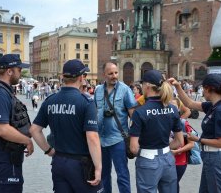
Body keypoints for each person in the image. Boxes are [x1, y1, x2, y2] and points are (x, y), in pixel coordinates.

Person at [29, 59, 103, 193]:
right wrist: (98, 167)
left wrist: (48, 150)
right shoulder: (86, 102)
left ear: (63, 77)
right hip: (81, 164)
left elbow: (34, 130)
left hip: (59, 161)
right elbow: (92, 137)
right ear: (81, 78)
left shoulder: (50, 101)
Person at [169, 74, 221, 193]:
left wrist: (197, 139)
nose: (203, 91)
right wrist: (178, 87)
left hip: (217, 158)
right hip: (211, 157)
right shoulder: (216, 105)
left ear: (210, 89)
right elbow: (190, 104)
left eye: (204, 88)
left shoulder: (220, 110)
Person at [0, 54, 34, 193]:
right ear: (9, 71)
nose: (20, 73)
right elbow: (2, 129)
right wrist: (27, 140)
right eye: (19, 70)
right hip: (4, 154)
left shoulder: (4, 90)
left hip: (8, 153)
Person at [129, 69, 184, 193]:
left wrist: (147, 153)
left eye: (142, 84)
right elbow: (179, 141)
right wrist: (163, 149)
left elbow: (133, 148)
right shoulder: (172, 109)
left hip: (147, 160)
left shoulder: (140, 112)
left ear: (147, 86)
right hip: (168, 159)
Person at [94, 61, 137, 193]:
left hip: (119, 139)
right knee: (104, 174)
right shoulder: (98, 90)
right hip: (101, 139)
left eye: (116, 72)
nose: (114, 76)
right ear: (104, 75)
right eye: (110, 73)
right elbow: (95, 112)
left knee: (122, 174)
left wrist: (134, 139)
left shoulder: (125, 90)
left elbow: (133, 116)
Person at [170, 97, 195, 193]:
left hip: (179, 161)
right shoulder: (163, 121)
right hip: (166, 160)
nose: (172, 107)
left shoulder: (183, 123)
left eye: (174, 106)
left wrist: (177, 151)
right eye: (169, 105)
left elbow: (191, 144)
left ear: (179, 108)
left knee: (173, 184)